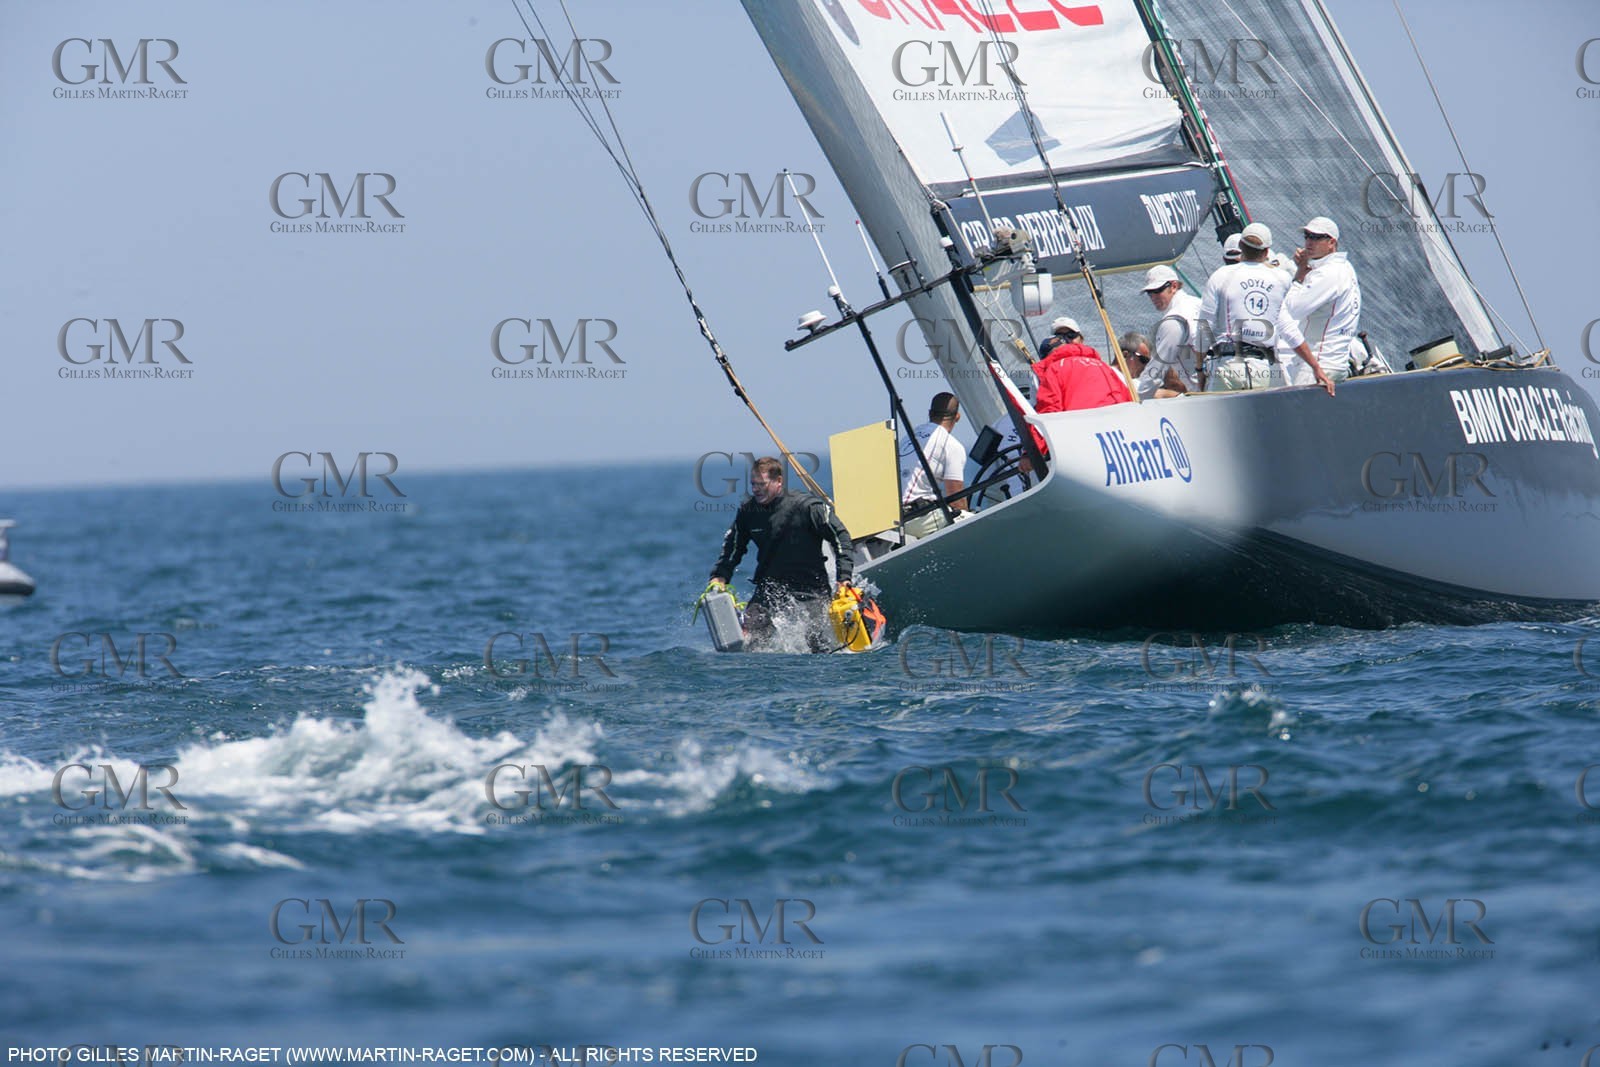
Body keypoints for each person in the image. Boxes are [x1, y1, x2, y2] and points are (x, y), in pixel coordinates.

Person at [708, 456, 854, 651]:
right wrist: (720, 576)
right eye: (753, 484)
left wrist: (844, 577)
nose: (756, 489)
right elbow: (733, 547)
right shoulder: (748, 512)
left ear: (779, 482)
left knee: (819, 645)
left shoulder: (808, 507)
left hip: (811, 587)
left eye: (762, 484)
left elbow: (841, 537)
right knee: (751, 641)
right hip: (770, 587)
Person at [1198, 222, 1298, 392]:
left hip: (1228, 363)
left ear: (1242, 248)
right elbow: (1288, 327)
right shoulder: (1279, 279)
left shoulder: (1220, 276)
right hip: (1261, 366)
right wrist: (1315, 366)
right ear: (1266, 252)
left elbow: (1204, 328)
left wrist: (1199, 369)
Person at [1275, 215, 1355, 396]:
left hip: (1317, 366)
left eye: (1316, 237)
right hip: (1334, 364)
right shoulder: (1345, 267)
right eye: (1307, 236)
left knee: (1298, 423)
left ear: (1331, 242)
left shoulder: (1328, 273)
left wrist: (1300, 274)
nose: (1309, 242)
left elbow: (1293, 309)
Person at [898, 392, 968, 539]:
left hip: (891, 517)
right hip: (915, 520)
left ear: (930, 414)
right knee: (971, 521)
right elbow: (957, 501)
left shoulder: (910, 435)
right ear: (957, 417)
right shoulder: (952, 445)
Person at [1031, 317, 1133, 413]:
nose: (1067, 340)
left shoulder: (1049, 370)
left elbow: (1049, 412)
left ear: (1081, 339)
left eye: (1071, 335)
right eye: (1060, 337)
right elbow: (1127, 402)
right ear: (1053, 340)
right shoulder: (1103, 367)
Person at [1140, 265, 1201, 397]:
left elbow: (1157, 369)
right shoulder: (1199, 303)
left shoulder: (1174, 320)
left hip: (1206, 391)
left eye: (1157, 290)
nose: (1153, 297)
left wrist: (1138, 399)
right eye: (1149, 292)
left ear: (1173, 286)